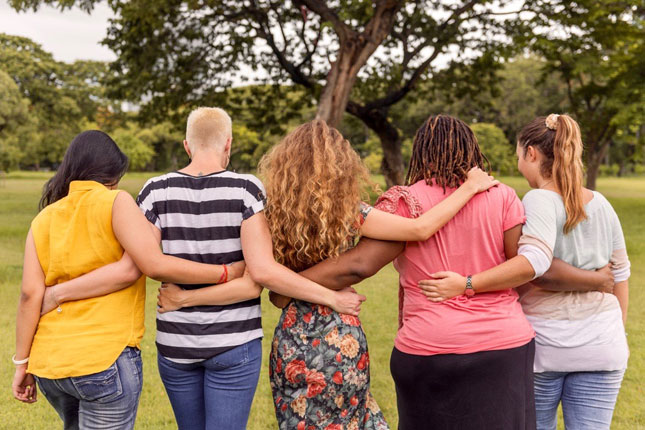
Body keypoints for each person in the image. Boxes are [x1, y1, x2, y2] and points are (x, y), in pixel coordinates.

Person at [29, 109, 368, 430]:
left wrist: (60, 292)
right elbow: (256, 278)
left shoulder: (154, 190)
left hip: (176, 344)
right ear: (228, 143)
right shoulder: (247, 190)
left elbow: (144, 263)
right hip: (235, 343)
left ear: (186, 145)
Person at [158, 118, 499, 429]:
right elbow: (421, 229)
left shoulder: (268, 213)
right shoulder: (351, 212)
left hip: (292, 339)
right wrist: (468, 188)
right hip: (341, 334)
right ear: (341, 165)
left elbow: (261, 276)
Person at [287, 114, 615, 430]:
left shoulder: (407, 200)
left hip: (430, 348)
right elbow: (521, 269)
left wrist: (289, 284)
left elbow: (358, 265)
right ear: (472, 150)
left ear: (421, 152)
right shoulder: (503, 196)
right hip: (503, 347)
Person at [11, 130, 248, 430]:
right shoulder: (116, 202)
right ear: (112, 171)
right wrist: (224, 272)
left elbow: (30, 295)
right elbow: (152, 265)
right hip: (102, 360)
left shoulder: (44, 218)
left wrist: (22, 363)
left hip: (50, 367)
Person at [420, 114, 630, 430]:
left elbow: (534, 266)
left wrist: (467, 283)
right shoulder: (601, 203)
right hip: (604, 344)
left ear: (531, 153)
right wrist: (615, 328)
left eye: (518, 155)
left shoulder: (538, 199)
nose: (518, 162)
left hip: (548, 346)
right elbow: (620, 275)